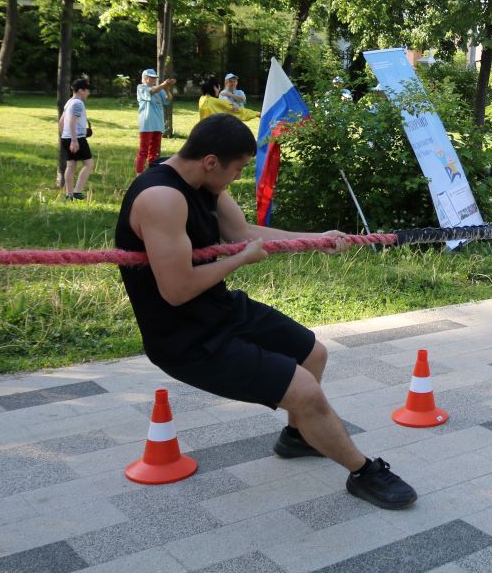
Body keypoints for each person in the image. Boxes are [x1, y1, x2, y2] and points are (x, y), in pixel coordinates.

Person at [114, 114, 416, 509]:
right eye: (237, 170)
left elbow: (244, 235)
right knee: (305, 391)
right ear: (210, 161)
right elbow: (176, 290)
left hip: (217, 309)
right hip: (184, 337)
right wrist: (239, 262)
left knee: (312, 354)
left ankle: (298, 437)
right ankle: (363, 473)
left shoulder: (203, 182)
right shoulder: (162, 199)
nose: (236, 178)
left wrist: (315, 240)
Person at [59, 78, 94, 200]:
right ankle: (77, 191)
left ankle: (69, 195)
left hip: (66, 137)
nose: (88, 93)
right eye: (87, 90)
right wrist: (74, 140)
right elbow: (73, 121)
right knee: (89, 164)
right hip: (77, 138)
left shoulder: (69, 102)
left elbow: (61, 122)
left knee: (71, 165)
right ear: (80, 90)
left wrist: (66, 136)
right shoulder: (78, 103)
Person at [136, 69, 176, 174]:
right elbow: (151, 92)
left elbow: (168, 100)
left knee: (154, 152)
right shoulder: (141, 88)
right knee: (143, 151)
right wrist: (163, 85)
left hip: (158, 124)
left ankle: (151, 173)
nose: (153, 79)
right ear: (144, 78)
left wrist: (167, 89)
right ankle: (139, 174)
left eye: (154, 78)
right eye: (151, 77)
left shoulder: (160, 89)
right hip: (147, 124)